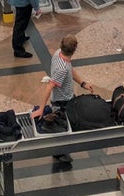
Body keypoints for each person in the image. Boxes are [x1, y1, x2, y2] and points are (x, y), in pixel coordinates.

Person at [30, 35, 96, 165]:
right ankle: (60, 153)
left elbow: (70, 70)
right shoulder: (62, 68)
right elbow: (49, 87)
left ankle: (60, 151)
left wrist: (83, 83)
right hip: (62, 102)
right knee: (63, 128)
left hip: (66, 98)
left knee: (65, 127)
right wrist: (41, 109)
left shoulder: (58, 54)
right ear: (74, 49)